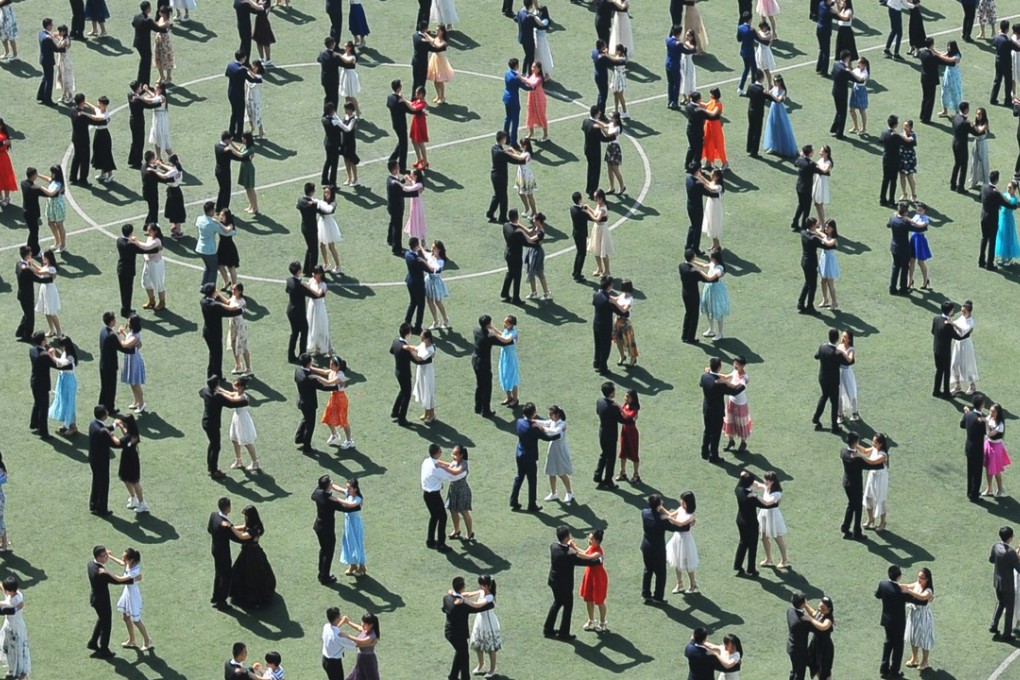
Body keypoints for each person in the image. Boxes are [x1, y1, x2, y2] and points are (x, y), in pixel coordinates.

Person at [544, 525, 601, 641]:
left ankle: (548, 629)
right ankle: (564, 633)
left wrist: (571, 547)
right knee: (568, 607)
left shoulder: (553, 547)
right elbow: (584, 561)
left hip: (553, 581)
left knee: (557, 603)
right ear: (567, 537)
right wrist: (598, 561)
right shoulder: (569, 554)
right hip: (565, 586)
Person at [87, 545, 135, 659]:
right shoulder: (101, 573)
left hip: (95, 599)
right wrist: (133, 579)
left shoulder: (90, 564)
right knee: (106, 624)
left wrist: (107, 554)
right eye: (104, 556)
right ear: (98, 557)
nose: (106, 558)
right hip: (102, 601)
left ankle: (93, 642)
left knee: (101, 620)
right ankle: (104, 650)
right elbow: (117, 581)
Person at [443, 576, 494, 680]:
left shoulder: (447, 598)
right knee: (464, 658)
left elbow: (446, 606)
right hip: (459, 636)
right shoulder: (462, 605)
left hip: (449, 632)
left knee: (460, 653)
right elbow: (477, 606)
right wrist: (490, 602)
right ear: (462, 588)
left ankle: (453, 676)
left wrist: (477, 592)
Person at [510, 402, 559, 511]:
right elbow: (547, 438)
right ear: (534, 413)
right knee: (532, 481)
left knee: (519, 477)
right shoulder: (533, 428)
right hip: (529, 458)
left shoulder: (519, 422)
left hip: (519, 453)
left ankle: (513, 501)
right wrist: (559, 434)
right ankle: (532, 504)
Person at [226, 505, 277, 609]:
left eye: (246, 516)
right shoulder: (255, 524)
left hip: (251, 554)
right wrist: (231, 528)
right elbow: (243, 527)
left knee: (251, 577)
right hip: (251, 551)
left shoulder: (254, 529)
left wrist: (230, 528)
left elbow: (242, 536)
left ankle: (253, 599)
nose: (245, 518)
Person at [876, 565, 921, 678]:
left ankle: (883, 668)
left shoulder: (883, 584)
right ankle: (894, 671)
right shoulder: (900, 592)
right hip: (898, 624)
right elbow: (916, 600)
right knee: (898, 647)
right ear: (899, 576)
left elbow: (877, 595)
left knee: (888, 643)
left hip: (886, 621)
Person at [200, 376, 247, 480]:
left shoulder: (205, 391)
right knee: (216, 446)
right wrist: (245, 400)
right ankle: (214, 471)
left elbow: (201, 393)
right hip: (213, 424)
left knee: (212, 444)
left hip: (206, 422)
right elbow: (231, 404)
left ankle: (210, 467)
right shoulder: (217, 396)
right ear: (216, 385)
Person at [421, 444, 465, 552]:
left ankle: (430, 541)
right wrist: (461, 471)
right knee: (443, 517)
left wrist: (447, 465)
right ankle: (441, 543)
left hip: (427, 494)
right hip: (434, 496)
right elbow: (449, 476)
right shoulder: (435, 468)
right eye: (440, 451)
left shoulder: (427, 461)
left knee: (434, 517)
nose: (441, 452)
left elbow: (440, 465)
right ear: (436, 453)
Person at [700, 357, 746, 461]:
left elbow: (701, 384)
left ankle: (704, 452)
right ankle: (713, 456)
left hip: (707, 409)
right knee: (715, 434)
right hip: (716, 411)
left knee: (707, 431)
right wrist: (743, 384)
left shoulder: (704, 376)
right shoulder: (719, 384)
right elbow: (734, 391)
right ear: (720, 367)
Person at [109, 547, 152, 651]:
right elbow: (121, 563)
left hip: (133, 595)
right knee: (126, 617)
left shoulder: (135, 570)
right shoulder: (129, 563)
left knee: (136, 620)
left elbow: (120, 579)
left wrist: (107, 572)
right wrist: (109, 556)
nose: (123, 560)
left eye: (125, 558)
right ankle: (132, 640)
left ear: (131, 560)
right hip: (127, 592)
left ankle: (147, 640)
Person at [734, 470, 773, 577]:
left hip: (740, 520)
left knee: (743, 542)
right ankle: (751, 569)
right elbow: (766, 505)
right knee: (752, 546)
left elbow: (742, 477)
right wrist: (756, 495)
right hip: (750, 523)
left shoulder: (738, 489)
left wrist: (745, 475)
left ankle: (738, 565)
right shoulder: (750, 497)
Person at [285, 262, 324, 364]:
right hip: (299, 312)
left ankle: (291, 356)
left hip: (290, 310)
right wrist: (321, 291)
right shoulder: (299, 285)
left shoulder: (289, 281)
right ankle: (303, 355)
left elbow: (287, 290)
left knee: (294, 333)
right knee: (304, 332)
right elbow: (314, 295)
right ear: (299, 271)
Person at [294, 353, 332, 454]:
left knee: (305, 419)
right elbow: (323, 387)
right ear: (309, 363)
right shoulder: (309, 378)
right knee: (310, 425)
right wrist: (336, 387)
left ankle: (299, 437)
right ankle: (307, 447)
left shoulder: (298, 371)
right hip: (309, 404)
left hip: (301, 400)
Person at [902, 567, 936, 670]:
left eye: (922, 578)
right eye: (918, 577)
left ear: (927, 579)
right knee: (913, 637)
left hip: (923, 617)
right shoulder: (917, 584)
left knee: (924, 639)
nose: (919, 579)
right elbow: (907, 585)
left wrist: (909, 592)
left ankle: (925, 660)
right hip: (914, 615)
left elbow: (922, 597)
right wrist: (894, 584)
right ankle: (914, 658)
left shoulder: (928, 590)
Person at [665, 491, 699, 594]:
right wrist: (663, 511)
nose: (681, 503)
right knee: (677, 561)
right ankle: (679, 584)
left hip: (686, 541)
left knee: (688, 563)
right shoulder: (680, 509)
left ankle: (693, 584)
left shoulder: (691, 515)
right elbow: (671, 515)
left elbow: (679, 524)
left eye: (684, 501)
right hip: (677, 539)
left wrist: (669, 518)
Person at [467, 575, 500, 678]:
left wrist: (464, 601)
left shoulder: (490, 597)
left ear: (487, 586)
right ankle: (481, 664)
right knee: (478, 645)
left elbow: (478, 606)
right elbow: (469, 593)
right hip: (480, 621)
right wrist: (458, 594)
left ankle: (492, 669)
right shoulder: (482, 591)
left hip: (489, 623)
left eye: (482, 585)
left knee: (491, 648)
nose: (480, 587)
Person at [990, 526, 1020, 640]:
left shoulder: (995, 546)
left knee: (1000, 603)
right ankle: (1007, 634)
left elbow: (991, 559)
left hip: (997, 582)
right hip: (1008, 585)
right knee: (1009, 608)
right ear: (1010, 538)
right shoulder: (1011, 552)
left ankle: (994, 625)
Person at [755, 471, 790, 568]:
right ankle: (768, 559)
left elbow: (767, 503)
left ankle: (784, 560)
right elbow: (757, 484)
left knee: (778, 538)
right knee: (763, 537)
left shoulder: (777, 494)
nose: (765, 481)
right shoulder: (767, 487)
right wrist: (746, 477)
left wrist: (755, 496)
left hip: (773, 516)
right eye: (765, 479)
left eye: (767, 480)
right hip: (764, 515)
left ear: (772, 481)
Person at [578, 529, 609, 633]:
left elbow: (586, 556)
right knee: (588, 599)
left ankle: (602, 622)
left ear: (597, 541)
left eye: (591, 539)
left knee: (600, 601)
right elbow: (584, 552)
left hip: (598, 577)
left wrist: (573, 549)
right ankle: (590, 620)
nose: (589, 540)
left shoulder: (598, 552)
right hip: (589, 575)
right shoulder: (592, 547)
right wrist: (573, 547)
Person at [320, 355, 354, 449]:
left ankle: (349, 440)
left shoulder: (340, 375)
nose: (330, 365)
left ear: (337, 366)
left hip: (340, 399)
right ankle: (335, 435)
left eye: (332, 364)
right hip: (333, 398)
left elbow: (329, 383)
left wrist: (315, 377)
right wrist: (311, 368)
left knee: (343, 420)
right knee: (327, 417)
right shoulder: (332, 371)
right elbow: (323, 371)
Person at [225, 377, 259, 472]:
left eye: (236, 386)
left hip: (243, 420)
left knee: (247, 442)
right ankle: (238, 460)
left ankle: (255, 462)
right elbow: (229, 394)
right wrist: (218, 390)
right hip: (236, 418)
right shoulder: (237, 393)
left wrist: (219, 394)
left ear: (241, 387)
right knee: (234, 439)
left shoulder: (242, 397)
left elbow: (231, 399)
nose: (234, 387)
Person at [680, 248, 711, 341]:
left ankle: (684, 335)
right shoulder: (693, 272)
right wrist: (699, 270)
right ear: (693, 257)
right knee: (694, 316)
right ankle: (690, 337)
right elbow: (707, 279)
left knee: (688, 314)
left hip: (685, 293)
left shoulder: (681, 266)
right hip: (693, 295)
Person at [722, 356, 751, 452]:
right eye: (734, 363)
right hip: (731, 401)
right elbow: (726, 376)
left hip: (740, 403)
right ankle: (731, 441)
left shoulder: (745, 377)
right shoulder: (735, 371)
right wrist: (713, 373)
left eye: (737, 364)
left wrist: (723, 382)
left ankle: (743, 442)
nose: (735, 365)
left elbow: (735, 386)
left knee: (741, 423)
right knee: (730, 421)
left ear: (743, 366)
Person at [804, 597, 835, 680]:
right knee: (814, 664)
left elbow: (823, 627)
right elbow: (814, 613)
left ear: (829, 609)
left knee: (824, 670)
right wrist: (805, 605)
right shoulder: (820, 613)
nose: (820, 610)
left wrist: (810, 619)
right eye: (820, 607)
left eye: (823, 608)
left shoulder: (828, 618)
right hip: (816, 644)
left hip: (824, 648)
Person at [980, 170, 1005, 270]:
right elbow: (1006, 203)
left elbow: (980, 197)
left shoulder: (984, 187)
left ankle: (981, 261)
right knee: (992, 241)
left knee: (984, 238)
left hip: (983, 217)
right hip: (992, 220)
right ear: (997, 180)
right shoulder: (996, 193)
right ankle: (990, 264)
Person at [950, 102, 977, 193]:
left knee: (957, 163)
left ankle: (953, 184)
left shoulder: (955, 117)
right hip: (962, 145)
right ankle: (960, 187)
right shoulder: (965, 123)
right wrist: (974, 125)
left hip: (954, 143)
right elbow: (975, 133)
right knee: (964, 165)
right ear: (966, 110)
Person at [305, 266, 332, 356]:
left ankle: (329, 348)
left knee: (321, 328)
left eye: (315, 273)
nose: (313, 275)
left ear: (320, 274)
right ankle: (317, 349)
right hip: (312, 306)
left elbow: (318, 294)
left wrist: (307, 287)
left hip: (319, 307)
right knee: (313, 326)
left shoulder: (323, 284)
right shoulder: (311, 280)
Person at [786, 592, 812, 680]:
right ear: (803, 604)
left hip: (791, 646)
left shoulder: (790, 611)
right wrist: (810, 619)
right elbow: (818, 626)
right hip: (799, 651)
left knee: (794, 670)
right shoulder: (803, 622)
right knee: (799, 674)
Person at [791, 146, 817, 229]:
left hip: (799, 186)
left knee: (801, 205)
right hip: (807, 188)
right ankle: (804, 226)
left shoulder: (800, 160)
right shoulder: (811, 164)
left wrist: (801, 156)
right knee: (807, 208)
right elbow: (820, 171)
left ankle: (795, 222)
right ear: (810, 153)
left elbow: (795, 164)